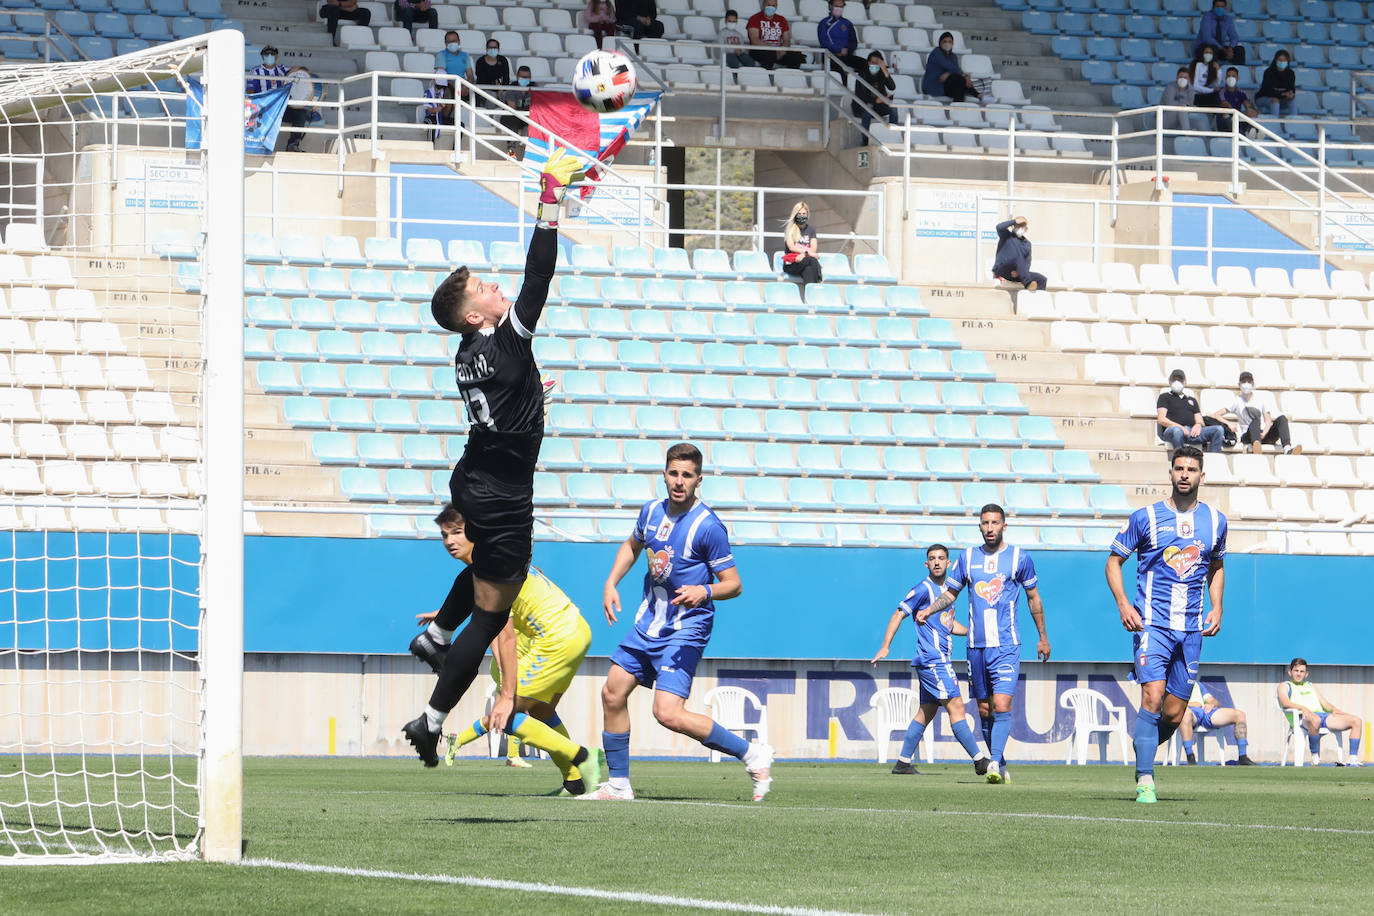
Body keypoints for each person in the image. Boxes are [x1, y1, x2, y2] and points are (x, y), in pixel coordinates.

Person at [400, 149, 585, 767]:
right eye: (484, 286)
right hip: (504, 495)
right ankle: (431, 719)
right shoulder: (505, 339)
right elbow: (539, 277)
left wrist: (533, 394)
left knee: (481, 579)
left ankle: (434, 633)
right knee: (493, 613)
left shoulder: (466, 355)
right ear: (475, 315)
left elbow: (505, 394)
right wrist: (549, 202)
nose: (495, 285)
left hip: (474, 476)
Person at [580, 442, 773, 802]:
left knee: (667, 713)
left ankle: (752, 754)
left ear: (699, 480)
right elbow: (631, 546)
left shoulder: (708, 527)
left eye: (687, 475)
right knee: (612, 692)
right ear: (664, 474)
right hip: (650, 621)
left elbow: (734, 584)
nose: (679, 481)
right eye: (673, 473)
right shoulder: (651, 511)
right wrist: (610, 582)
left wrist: (705, 590)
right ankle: (619, 785)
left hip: (687, 626)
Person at [406, 505, 603, 794]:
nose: (449, 541)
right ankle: (574, 779)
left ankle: (584, 757)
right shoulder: (502, 555)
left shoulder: (491, 573)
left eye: (457, 533)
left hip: (554, 637)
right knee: (542, 709)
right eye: (444, 534)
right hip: (572, 628)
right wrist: (445, 613)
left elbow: (504, 635)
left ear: (476, 533)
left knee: (507, 715)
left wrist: (506, 695)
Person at [1107, 445, 1226, 804]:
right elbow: (1113, 563)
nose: (1185, 474)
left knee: (1173, 714)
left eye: (1192, 469)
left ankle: (1143, 742)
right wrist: (1124, 604)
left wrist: (1217, 606)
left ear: (1201, 476)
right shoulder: (1145, 517)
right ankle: (1145, 778)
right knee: (1153, 696)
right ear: (1170, 473)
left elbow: (1216, 567)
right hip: (1152, 626)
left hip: (1191, 629)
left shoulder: (1217, 521)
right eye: (1179, 468)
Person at [917, 505, 1050, 785]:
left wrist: (1043, 636)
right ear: (979, 526)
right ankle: (999, 764)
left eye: (995, 523)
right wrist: (929, 610)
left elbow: (1034, 598)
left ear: (1004, 526)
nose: (990, 528)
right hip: (976, 648)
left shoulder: (1018, 557)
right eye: (985, 523)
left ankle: (993, 762)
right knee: (985, 711)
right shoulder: (967, 557)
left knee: (1001, 704)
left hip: (1006, 645)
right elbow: (951, 593)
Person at [870, 544, 992, 777]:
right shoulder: (923, 589)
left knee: (927, 711)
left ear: (949, 563)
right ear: (926, 564)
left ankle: (903, 763)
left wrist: (973, 632)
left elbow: (948, 624)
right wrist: (886, 646)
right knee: (956, 706)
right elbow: (899, 613)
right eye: (932, 559)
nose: (936, 562)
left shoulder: (948, 593)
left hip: (935, 659)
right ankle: (979, 760)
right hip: (933, 660)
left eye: (941, 558)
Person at [1277, 658, 1364, 766]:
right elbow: (1285, 703)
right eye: (1296, 671)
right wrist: (1303, 708)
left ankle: (1352, 759)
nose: (1299, 674)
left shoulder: (1310, 685)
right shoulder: (1284, 685)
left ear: (1306, 674)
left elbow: (1326, 705)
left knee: (1356, 721)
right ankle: (1315, 757)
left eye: (1302, 671)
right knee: (1315, 719)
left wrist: (1340, 712)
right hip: (1301, 718)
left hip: (1322, 716)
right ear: (1290, 672)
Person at [1211, 371, 1301, 456]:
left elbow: (1268, 421)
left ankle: (1287, 449)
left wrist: (1265, 432)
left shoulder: (1261, 399)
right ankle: (1256, 446)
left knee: (1282, 419)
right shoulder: (1236, 401)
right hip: (1248, 435)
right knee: (1255, 419)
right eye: (1244, 382)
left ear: (1253, 384)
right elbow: (1216, 415)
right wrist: (1229, 423)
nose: (1246, 384)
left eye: (1249, 382)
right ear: (1239, 385)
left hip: (1263, 434)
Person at [1177, 680, 1255, 765]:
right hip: (1189, 712)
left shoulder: (1197, 684)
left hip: (1205, 712)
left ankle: (1243, 757)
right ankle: (1190, 757)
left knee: (1239, 714)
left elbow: (1213, 701)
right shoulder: (1174, 684)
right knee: (1186, 714)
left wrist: (1211, 704)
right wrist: (1191, 704)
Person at [246, 46, 307, 153]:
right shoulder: (255, 72)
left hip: (280, 109)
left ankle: (293, 145)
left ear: (276, 56)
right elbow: (250, 93)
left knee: (300, 113)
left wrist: (294, 72)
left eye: (272, 54)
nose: (269, 56)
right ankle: (256, 145)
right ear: (262, 56)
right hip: (263, 109)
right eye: (266, 54)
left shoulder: (282, 69)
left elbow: (301, 71)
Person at [1156, 368, 1223, 453]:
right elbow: (1161, 419)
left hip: (1191, 431)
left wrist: (1198, 425)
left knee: (1218, 430)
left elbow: (1200, 420)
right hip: (1172, 430)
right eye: (1174, 380)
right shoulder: (1164, 397)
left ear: (1185, 383)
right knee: (1177, 431)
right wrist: (1181, 427)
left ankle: (1213, 457)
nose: (1177, 382)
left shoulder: (1192, 400)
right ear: (1169, 382)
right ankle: (1180, 457)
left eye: (1180, 380)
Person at [853, 51, 898, 141]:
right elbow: (860, 95)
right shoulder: (862, 74)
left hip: (879, 105)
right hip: (863, 105)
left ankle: (893, 135)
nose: (875, 65)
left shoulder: (881, 73)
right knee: (867, 110)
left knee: (893, 109)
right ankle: (865, 140)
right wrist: (875, 101)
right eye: (873, 63)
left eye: (878, 63)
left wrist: (885, 70)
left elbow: (892, 87)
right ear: (869, 63)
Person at [922, 32, 980, 104]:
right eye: (945, 41)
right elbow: (949, 66)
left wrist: (949, 74)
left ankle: (957, 107)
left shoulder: (953, 56)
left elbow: (954, 70)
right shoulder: (936, 53)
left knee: (959, 84)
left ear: (952, 44)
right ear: (940, 43)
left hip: (946, 85)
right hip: (933, 85)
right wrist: (965, 76)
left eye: (950, 42)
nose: (947, 44)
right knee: (960, 80)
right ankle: (976, 94)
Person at [991, 215, 1045, 291]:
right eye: (1018, 225)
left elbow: (1027, 261)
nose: (1020, 227)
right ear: (1013, 226)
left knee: (1041, 279)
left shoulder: (1027, 244)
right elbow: (999, 227)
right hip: (1003, 269)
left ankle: (1035, 299)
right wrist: (1015, 221)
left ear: (1026, 228)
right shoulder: (1006, 236)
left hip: (1018, 273)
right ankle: (1028, 284)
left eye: (1022, 226)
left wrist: (1019, 272)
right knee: (1017, 258)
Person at [747, 1, 805, 70]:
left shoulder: (781, 19)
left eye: (773, 5)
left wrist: (782, 49)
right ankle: (766, 78)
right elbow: (755, 40)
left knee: (797, 57)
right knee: (769, 55)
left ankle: (790, 78)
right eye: (768, 5)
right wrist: (773, 50)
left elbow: (787, 40)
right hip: (761, 50)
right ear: (763, 5)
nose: (771, 7)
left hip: (779, 51)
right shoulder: (754, 18)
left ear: (776, 7)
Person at [817, 0, 864, 81]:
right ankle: (845, 90)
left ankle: (860, 89)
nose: (839, 9)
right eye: (836, 6)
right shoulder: (823, 23)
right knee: (840, 73)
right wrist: (839, 50)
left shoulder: (847, 23)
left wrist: (847, 50)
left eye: (841, 7)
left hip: (846, 55)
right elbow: (824, 42)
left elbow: (853, 42)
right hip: (830, 57)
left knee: (864, 64)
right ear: (830, 6)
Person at [781, 201, 822, 286]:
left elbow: (813, 249)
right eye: (799, 214)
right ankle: (819, 279)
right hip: (792, 263)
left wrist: (803, 255)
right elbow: (792, 247)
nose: (802, 216)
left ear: (807, 214)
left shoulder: (811, 230)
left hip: (805, 261)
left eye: (804, 213)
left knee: (808, 270)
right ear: (795, 214)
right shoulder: (790, 229)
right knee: (812, 260)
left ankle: (810, 293)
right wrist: (806, 253)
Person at [1159, 66, 1209, 134]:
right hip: (1165, 119)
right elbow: (1169, 105)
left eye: (1185, 78)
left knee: (1200, 124)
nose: (1182, 79)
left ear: (1189, 79)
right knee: (1182, 107)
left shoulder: (1191, 89)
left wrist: (1183, 110)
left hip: (1181, 119)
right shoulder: (1170, 87)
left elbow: (1190, 107)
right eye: (1180, 77)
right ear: (1177, 78)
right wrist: (1184, 104)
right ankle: (1188, 136)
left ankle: (1205, 143)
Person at [500, 66, 536, 159]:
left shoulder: (535, 88)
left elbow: (536, 106)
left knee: (532, 123)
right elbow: (513, 108)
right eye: (522, 77)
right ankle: (511, 151)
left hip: (526, 117)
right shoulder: (511, 88)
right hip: (511, 116)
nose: (525, 79)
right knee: (513, 121)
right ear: (517, 77)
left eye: (527, 77)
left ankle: (526, 148)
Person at [1194, 0, 1244, 65]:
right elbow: (1207, 38)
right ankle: (1212, 73)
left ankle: (1234, 71)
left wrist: (1230, 48)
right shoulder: (1207, 18)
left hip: (1220, 49)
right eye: (1217, 6)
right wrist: (1223, 49)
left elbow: (1234, 36)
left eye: (1222, 7)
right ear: (1213, 7)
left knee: (1240, 50)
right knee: (1212, 49)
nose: (1220, 8)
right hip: (1205, 48)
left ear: (1225, 8)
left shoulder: (1228, 19)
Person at [1216, 67, 1258, 137]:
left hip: (1238, 120)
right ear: (1225, 78)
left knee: (1251, 114)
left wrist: (1250, 111)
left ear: (1237, 78)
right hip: (1224, 122)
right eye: (1229, 76)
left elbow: (1248, 106)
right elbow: (1228, 108)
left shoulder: (1241, 92)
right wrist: (1244, 113)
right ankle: (1245, 135)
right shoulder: (1221, 92)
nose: (1231, 78)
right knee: (1227, 116)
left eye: (1233, 76)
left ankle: (1255, 132)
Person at [1255, 50, 1296, 119]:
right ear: (1276, 60)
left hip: (1282, 99)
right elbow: (1267, 91)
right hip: (1264, 98)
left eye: (1284, 60)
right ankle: (1275, 124)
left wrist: (1291, 95)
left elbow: (1292, 88)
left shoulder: (1291, 73)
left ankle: (1295, 123)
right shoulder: (1268, 72)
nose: (1282, 62)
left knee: (1291, 100)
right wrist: (1282, 94)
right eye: (1280, 60)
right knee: (1275, 100)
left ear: (1287, 61)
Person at [435, 31, 475, 102]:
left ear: (459, 42)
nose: (452, 43)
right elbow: (442, 76)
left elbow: (470, 76)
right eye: (449, 42)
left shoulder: (465, 55)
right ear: (445, 43)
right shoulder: (441, 55)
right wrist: (457, 87)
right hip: (448, 86)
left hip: (463, 85)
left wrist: (466, 87)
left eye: (454, 41)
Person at [475, 38, 512, 108]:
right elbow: (481, 80)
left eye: (495, 47)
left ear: (498, 49)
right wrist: (496, 89)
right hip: (484, 90)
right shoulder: (480, 62)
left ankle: (503, 117)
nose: (492, 49)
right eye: (490, 47)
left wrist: (501, 89)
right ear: (486, 49)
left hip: (500, 89)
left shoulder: (503, 60)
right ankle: (489, 117)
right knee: (492, 96)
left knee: (507, 94)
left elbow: (506, 79)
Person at [1190, 45, 1222, 126]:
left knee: (1219, 95)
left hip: (1206, 96)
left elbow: (1217, 85)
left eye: (1210, 53)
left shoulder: (1212, 67)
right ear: (1202, 53)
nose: (1208, 54)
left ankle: (1215, 121)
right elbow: (1195, 86)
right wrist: (1211, 90)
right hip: (1195, 95)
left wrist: (1218, 70)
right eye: (1206, 52)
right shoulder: (1197, 65)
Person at [422, 71, 454, 144]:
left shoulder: (445, 91)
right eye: (439, 84)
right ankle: (430, 147)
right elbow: (430, 111)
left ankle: (455, 149)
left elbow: (447, 112)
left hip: (441, 117)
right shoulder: (428, 92)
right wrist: (441, 106)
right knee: (432, 124)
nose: (440, 87)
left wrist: (449, 105)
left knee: (459, 125)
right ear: (433, 80)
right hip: (430, 117)